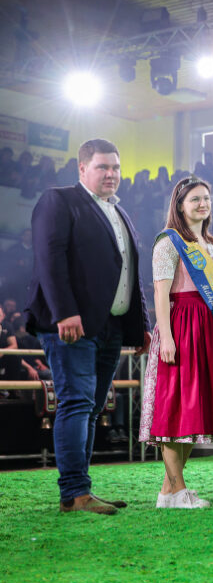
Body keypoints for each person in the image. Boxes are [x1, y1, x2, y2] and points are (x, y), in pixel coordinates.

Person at [27, 138, 151, 514]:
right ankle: (75, 492)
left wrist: (142, 324)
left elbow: (130, 273)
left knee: (92, 407)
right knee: (77, 402)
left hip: (111, 325)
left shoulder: (119, 211)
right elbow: (49, 258)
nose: (111, 173)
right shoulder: (59, 200)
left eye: (115, 167)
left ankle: (79, 491)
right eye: (102, 167)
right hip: (72, 325)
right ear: (82, 168)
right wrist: (65, 311)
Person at [140, 176, 213, 508]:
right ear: (180, 205)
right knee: (176, 408)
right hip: (181, 325)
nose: (202, 204)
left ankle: (169, 493)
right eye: (195, 199)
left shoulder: (211, 242)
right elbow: (160, 294)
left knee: (196, 410)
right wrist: (166, 338)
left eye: (206, 198)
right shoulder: (169, 241)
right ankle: (179, 491)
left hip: (208, 328)